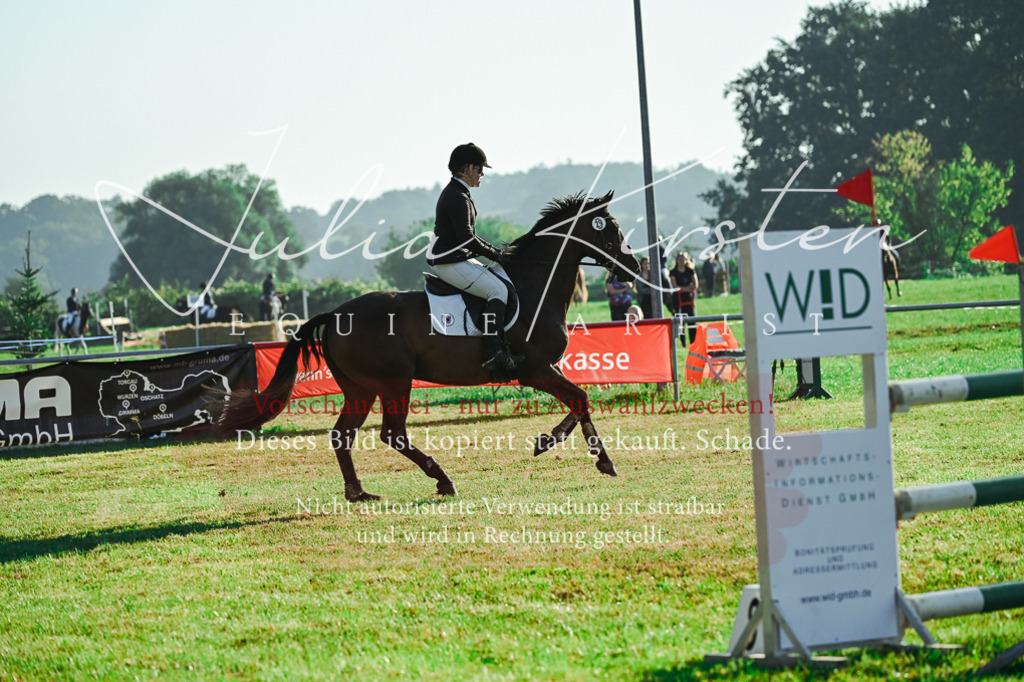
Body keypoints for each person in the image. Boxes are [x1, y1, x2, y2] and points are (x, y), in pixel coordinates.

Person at [427, 143, 523, 380]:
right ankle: (493, 353)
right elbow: (467, 239)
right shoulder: (456, 195)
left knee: (501, 279)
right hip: (448, 262)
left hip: (455, 258)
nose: (482, 174)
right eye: (480, 169)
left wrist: (498, 255)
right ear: (468, 168)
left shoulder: (459, 192)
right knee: (498, 291)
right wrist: (496, 254)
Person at [669, 252, 699, 344]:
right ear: (677, 260)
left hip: (689, 299)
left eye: (683, 259)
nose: (681, 261)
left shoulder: (690, 271)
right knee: (680, 320)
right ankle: (682, 341)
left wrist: (684, 289)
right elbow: (675, 287)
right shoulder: (673, 272)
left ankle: (693, 341)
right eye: (680, 259)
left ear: (686, 260)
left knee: (692, 320)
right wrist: (687, 288)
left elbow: (695, 285)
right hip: (678, 299)